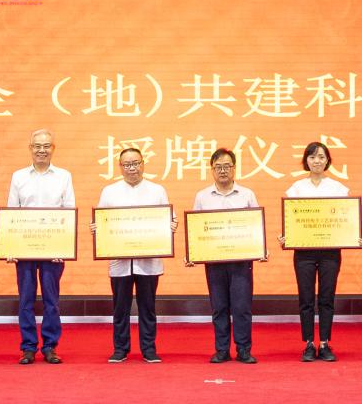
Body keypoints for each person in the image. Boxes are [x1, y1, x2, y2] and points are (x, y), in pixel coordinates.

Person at [281, 141, 362, 363]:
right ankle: (309, 343)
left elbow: (346, 220)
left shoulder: (339, 188)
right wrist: (286, 237)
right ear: (306, 161)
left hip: (330, 251)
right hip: (304, 251)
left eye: (321, 157)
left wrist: (356, 236)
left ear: (328, 160)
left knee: (327, 298)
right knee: (306, 299)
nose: (316, 161)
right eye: (312, 157)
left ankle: (325, 343)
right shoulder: (296, 188)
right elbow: (291, 220)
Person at [93, 147, 175, 364]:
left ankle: (149, 349)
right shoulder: (109, 191)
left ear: (143, 164)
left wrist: (171, 225)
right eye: (127, 164)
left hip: (148, 261)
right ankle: (120, 349)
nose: (132, 168)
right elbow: (101, 221)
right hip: (119, 261)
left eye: (136, 163)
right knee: (120, 308)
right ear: (120, 167)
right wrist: (97, 227)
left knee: (148, 308)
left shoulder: (157, 190)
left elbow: (169, 219)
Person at [6, 129, 75, 365]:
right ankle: (28, 347)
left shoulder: (64, 176)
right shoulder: (18, 177)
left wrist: (63, 248)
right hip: (25, 248)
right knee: (25, 300)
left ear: (53, 149)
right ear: (30, 148)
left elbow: (69, 212)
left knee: (51, 300)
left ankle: (50, 346)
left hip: (53, 249)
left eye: (46, 146)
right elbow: (11, 213)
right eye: (37, 146)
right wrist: (10, 248)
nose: (41, 150)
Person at [191, 148, 263, 364]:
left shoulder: (247, 194)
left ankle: (243, 349)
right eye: (218, 167)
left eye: (227, 166)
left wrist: (260, 249)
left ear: (234, 168)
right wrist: (193, 252)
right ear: (212, 170)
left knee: (242, 307)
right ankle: (222, 350)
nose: (223, 171)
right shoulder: (202, 196)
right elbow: (196, 228)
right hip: (214, 261)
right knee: (219, 306)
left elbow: (256, 225)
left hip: (241, 261)